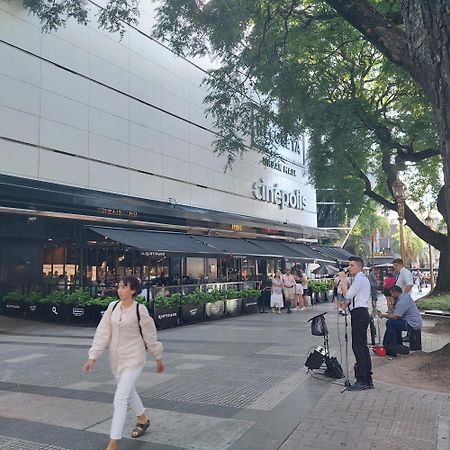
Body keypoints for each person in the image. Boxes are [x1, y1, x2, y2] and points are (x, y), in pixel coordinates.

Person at [84, 274, 164, 450]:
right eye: (119, 286)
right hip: (116, 360)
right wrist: (93, 356)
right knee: (128, 392)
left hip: (134, 358)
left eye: (124, 287)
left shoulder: (140, 310)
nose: (120, 290)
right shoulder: (112, 307)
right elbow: (103, 332)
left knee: (120, 397)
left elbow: (150, 335)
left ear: (133, 290)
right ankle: (142, 418)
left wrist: (157, 357)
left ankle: (113, 442)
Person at [338, 256, 373, 391]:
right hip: (359, 313)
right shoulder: (360, 279)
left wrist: (342, 280)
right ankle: (367, 378)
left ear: (359, 266)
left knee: (358, 347)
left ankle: (362, 379)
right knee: (362, 346)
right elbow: (349, 299)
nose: (349, 268)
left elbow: (347, 295)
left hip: (359, 314)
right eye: (349, 265)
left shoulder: (359, 279)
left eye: (351, 265)